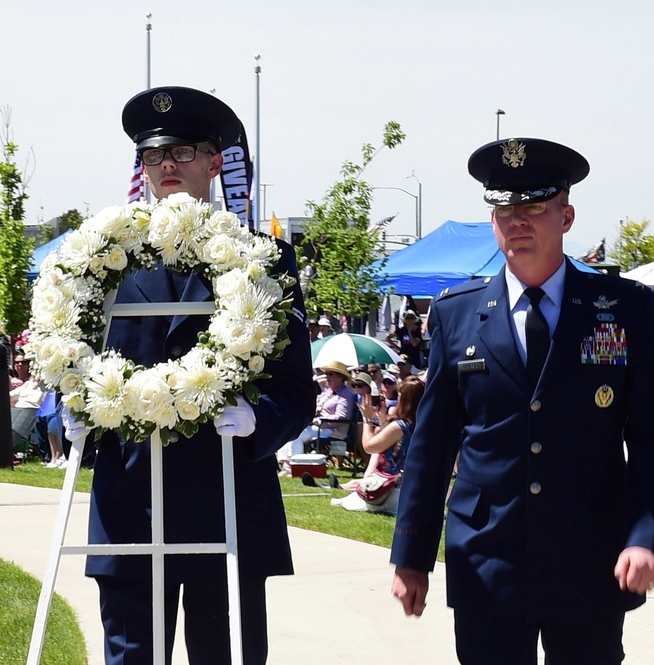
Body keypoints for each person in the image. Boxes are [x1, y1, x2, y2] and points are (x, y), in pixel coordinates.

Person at [390, 138, 654, 665]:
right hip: (487, 553)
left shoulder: (623, 310)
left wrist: (649, 536)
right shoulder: (457, 315)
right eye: (504, 209)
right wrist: (412, 555)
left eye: (533, 207)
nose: (517, 221)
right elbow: (431, 444)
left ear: (566, 215)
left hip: (590, 552)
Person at [86, 86, 316, 665]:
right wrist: (73, 407)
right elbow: (72, 359)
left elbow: (295, 387)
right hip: (132, 503)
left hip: (227, 494)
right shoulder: (100, 262)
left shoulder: (264, 259)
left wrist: (257, 421)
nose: (167, 164)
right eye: (154, 154)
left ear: (216, 162)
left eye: (184, 151)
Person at [333, 375, 424, 514]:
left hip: (389, 490)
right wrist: (383, 422)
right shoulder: (422, 425)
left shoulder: (400, 426)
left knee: (354, 499)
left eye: (399, 395)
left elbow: (369, 447)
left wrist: (367, 419)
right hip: (413, 490)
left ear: (404, 399)